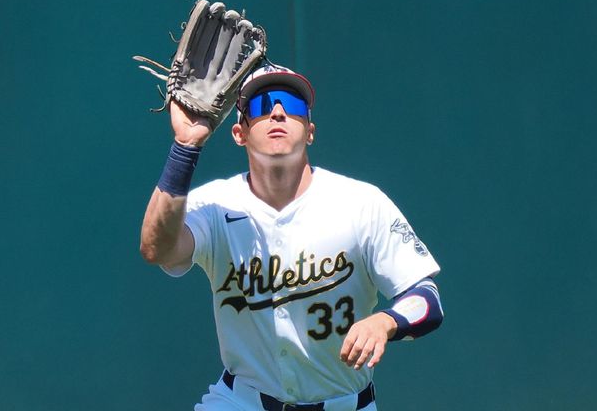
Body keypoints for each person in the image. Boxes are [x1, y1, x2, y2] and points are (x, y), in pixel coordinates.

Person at [140, 63, 443, 411]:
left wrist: (387, 320)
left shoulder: (362, 203)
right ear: (239, 132)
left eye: (292, 104)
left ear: (310, 131)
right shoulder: (215, 204)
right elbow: (157, 248)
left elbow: (427, 298)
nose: (279, 113)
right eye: (261, 105)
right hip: (241, 402)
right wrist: (185, 146)